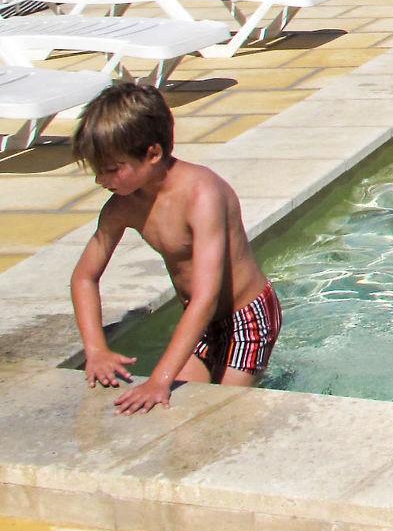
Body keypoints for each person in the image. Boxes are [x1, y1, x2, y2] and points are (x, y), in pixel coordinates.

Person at [69, 82, 280, 414]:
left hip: (245, 317)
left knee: (224, 411)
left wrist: (159, 378)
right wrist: (96, 348)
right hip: (199, 318)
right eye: (97, 171)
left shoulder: (202, 195)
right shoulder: (122, 206)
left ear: (152, 154)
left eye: (111, 170)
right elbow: (84, 277)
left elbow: (206, 296)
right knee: (181, 411)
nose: (101, 180)